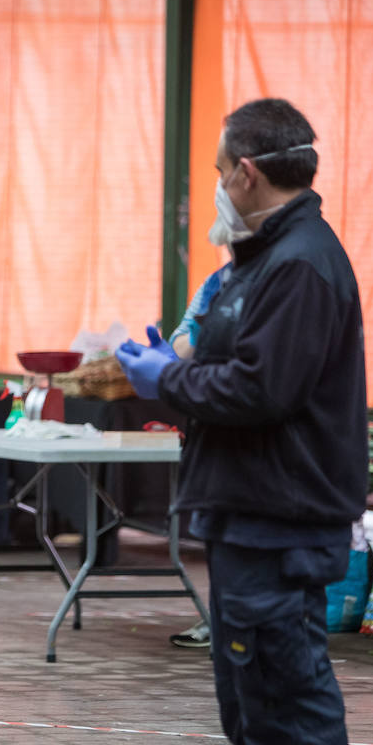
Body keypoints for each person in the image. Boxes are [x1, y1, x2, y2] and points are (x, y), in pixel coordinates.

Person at [116, 98, 363, 745]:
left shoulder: (301, 267)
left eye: (221, 171)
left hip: (279, 520)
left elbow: (262, 390)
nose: (219, 185)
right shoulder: (259, 264)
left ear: (247, 173)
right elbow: (236, 367)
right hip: (247, 515)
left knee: (285, 706)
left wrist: (170, 384)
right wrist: (180, 361)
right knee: (253, 709)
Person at [165, 260, 230, 648]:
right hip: (212, 430)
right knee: (218, 535)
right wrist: (207, 331)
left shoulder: (294, 272)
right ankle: (219, 618)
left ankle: (234, 624)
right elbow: (179, 345)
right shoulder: (217, 282)